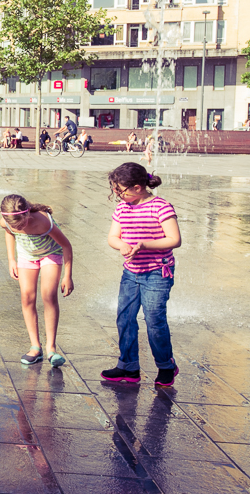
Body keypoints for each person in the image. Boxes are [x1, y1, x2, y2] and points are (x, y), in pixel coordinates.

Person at [101, 163, 181, 386]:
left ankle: (166, 365)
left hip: (157, 272)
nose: (117, 193)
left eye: (120, 190)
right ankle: (128, 366)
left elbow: (174, 239)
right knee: (125, 318)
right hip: (131, 272)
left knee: (154, 320)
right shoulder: (122, 208)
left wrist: (144, 244)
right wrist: (122, 245)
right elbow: (113, 237)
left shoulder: (161, 207)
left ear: (137, 187)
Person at [0, 194, 74, 367]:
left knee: (48, 295)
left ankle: (51, 348)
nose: (17, 228)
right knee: (27, 297)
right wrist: (11, 259)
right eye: (14, 226)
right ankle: (35, 347)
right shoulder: (6, 221)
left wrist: (67, 276)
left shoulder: (43, 221)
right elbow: (8, 233)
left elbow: (66, 245)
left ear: (27, 214)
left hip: (50, 254)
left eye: (21, 225)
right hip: (27, 256)